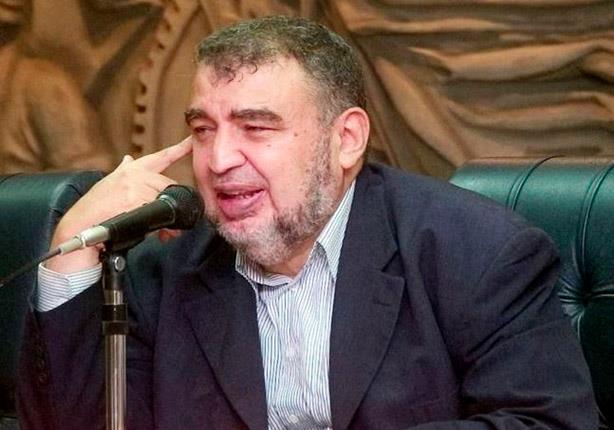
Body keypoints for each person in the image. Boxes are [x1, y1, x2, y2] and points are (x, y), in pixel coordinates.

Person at [18, 15, 598, 430]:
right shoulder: (163, 276)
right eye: (202, 130)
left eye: (256, 127)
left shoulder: (477, 252)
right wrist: (73, 249)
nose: (218, 160)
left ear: (345, 140)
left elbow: (548, 420)